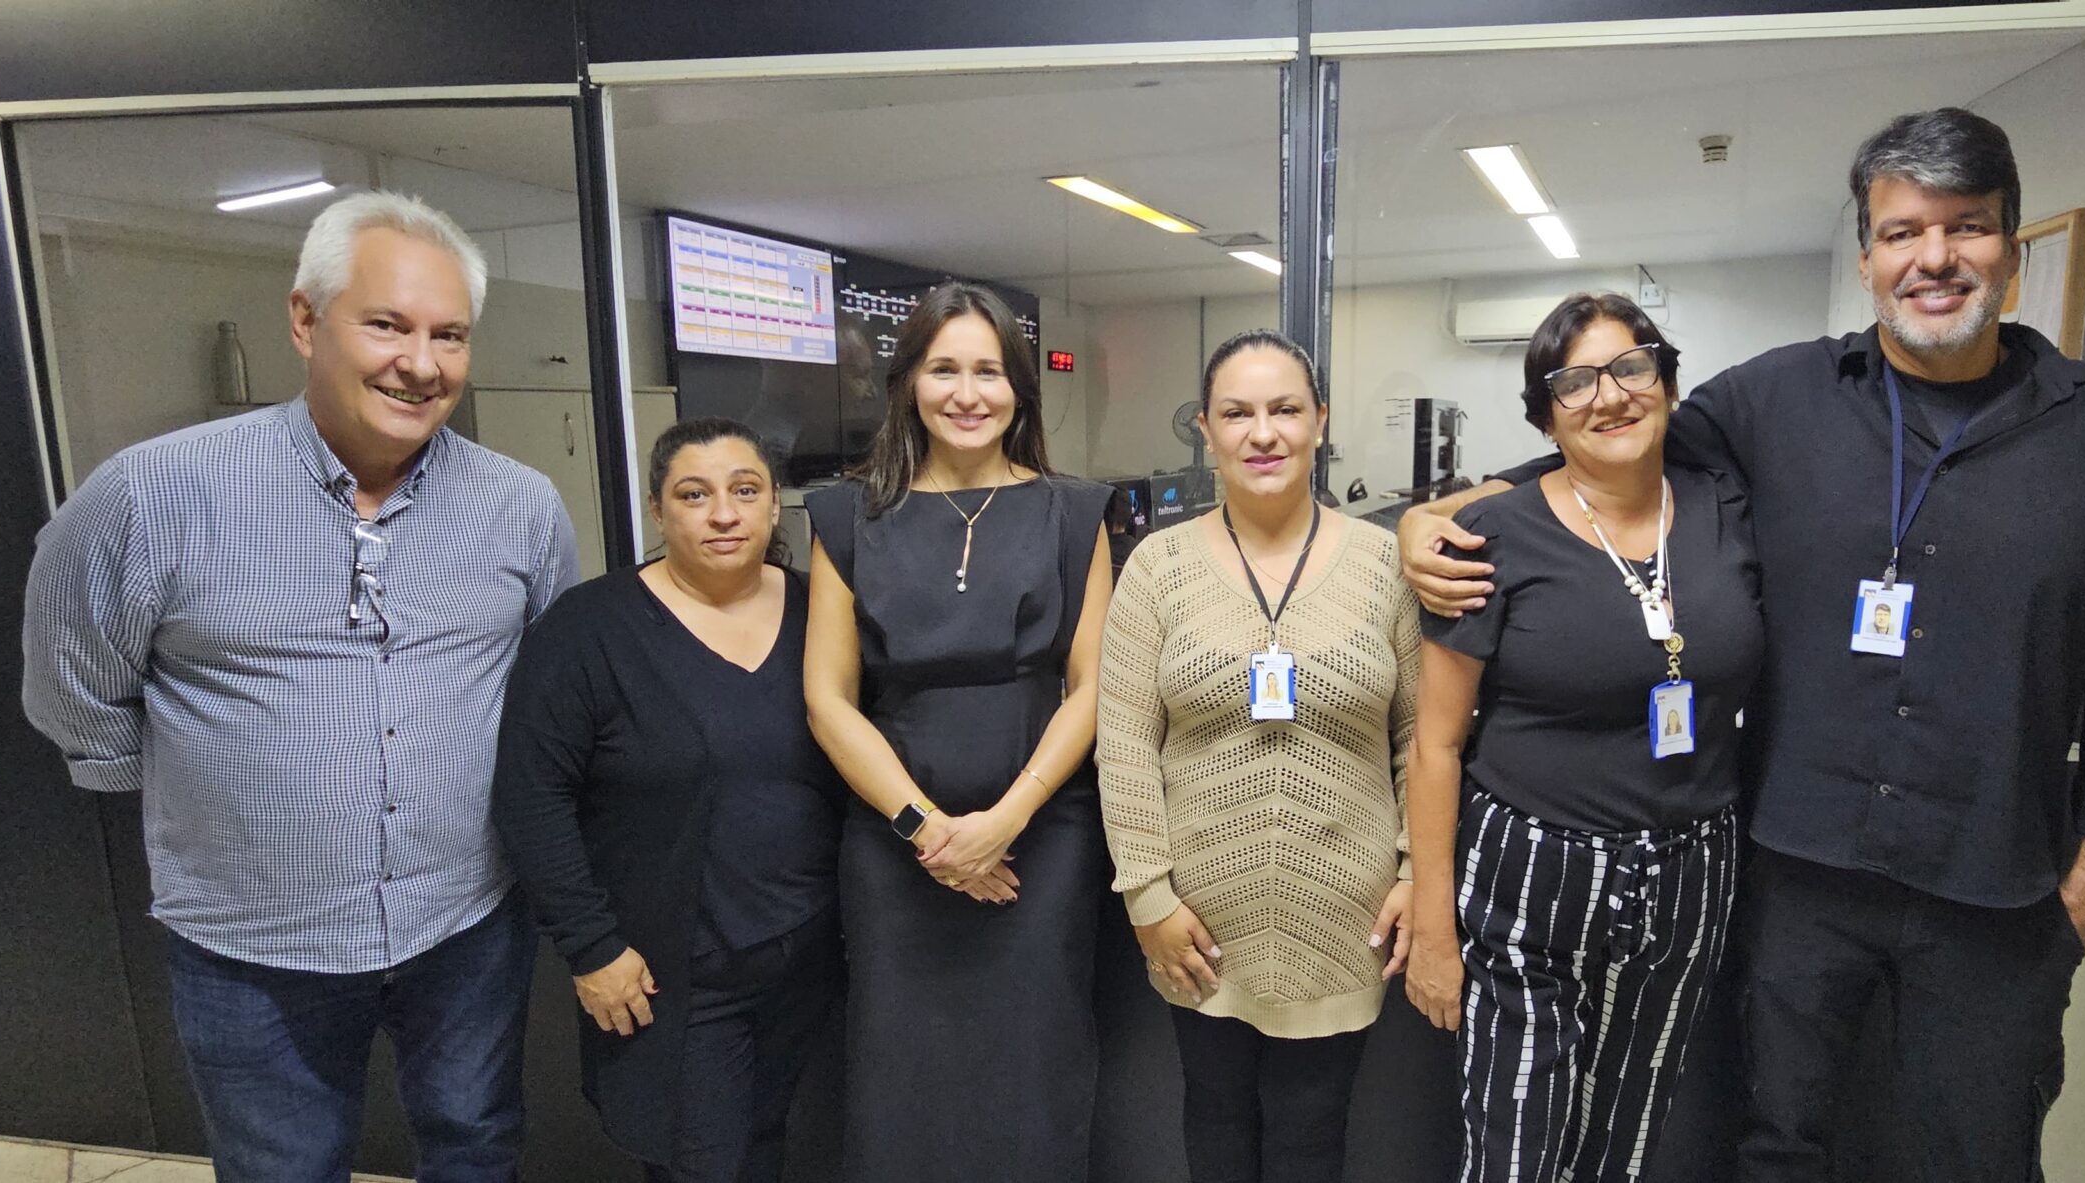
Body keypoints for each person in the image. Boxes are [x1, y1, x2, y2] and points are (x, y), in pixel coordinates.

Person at [1402, 108, 2085, 1182]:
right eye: (1901, 232)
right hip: (1793, 885)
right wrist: (1431, 517)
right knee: (1780, 1148)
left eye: (1964, 227)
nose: (1933, 258)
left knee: (1973, 1158)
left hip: (1994, 894)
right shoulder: (1775, 400)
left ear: (2009, 250)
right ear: (1868, 255)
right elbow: (1598, 456)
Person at [21, 191, 574, 1181]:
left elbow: (544, 691)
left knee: (476, 1136)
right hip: (251, 937)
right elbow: (71, 677)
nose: (421, 361)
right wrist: (217, 801)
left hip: (465, 922)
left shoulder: (520, 506)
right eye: (387, 324)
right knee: (283, 1164)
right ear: (305, 321)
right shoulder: (153, 495)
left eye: (449, 335)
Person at [1403, 293, 1763, 1183]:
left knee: (1624, 1143)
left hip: (1690, 870)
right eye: (1575, 382)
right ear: (1546, 414)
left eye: (1631, 367)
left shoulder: (1726, 508)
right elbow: (1437, 744)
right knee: (1516, 1148)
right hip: (1530, 874)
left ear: (1668, 383)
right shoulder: (1488, 537)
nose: (1609, 396)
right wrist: (1434, 924)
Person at [800, 281, 1116, 1182]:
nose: (967, 392)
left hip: (1042, 842)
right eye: (945, 369)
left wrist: (1005, 821)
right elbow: (828, 698)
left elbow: (1091, 688)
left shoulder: (1072, 512)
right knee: (902, 1080)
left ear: (1019, 387)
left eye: (989, 370)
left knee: (1034, 1073)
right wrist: (926, 831)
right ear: (907, 383)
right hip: (897, 852)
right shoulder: (846, 517)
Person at [1097, 330, 1420, 1183]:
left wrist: (1418, 869)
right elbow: (1124, 740)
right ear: (1205, 429)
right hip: (1194, 922)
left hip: (1344, 914)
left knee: (1317, 1135)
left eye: (1285, 409)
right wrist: (1148, 894)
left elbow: (1420, 739)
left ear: (1321, 420)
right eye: (1237, 413)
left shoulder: (1386, 563)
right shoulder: (1157, 569)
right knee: (1214, 1122)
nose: (1263, 432)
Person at [493, 418, 842, 1182]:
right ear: (658, 509)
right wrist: (592, 947)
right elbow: (531, 797)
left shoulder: (826, 612)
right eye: (695, 494)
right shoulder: (588, 630)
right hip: (674, 971)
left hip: (806, 956)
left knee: (770, 1145)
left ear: (774, 504)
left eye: (744, 491)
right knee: (700, 1160)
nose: (724, 513)